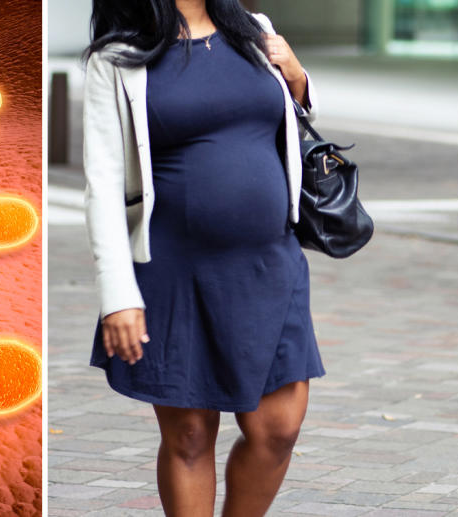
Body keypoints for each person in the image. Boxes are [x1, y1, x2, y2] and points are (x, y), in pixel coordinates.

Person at [81, 1, 326, 515]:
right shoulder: (118, 58)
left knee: (277, 429)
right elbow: (102, 185)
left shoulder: (254, 32)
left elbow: (288, 120)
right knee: (190, 436)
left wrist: (299, 79)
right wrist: (117, 296)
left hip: (268, 264)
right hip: (172, 271)